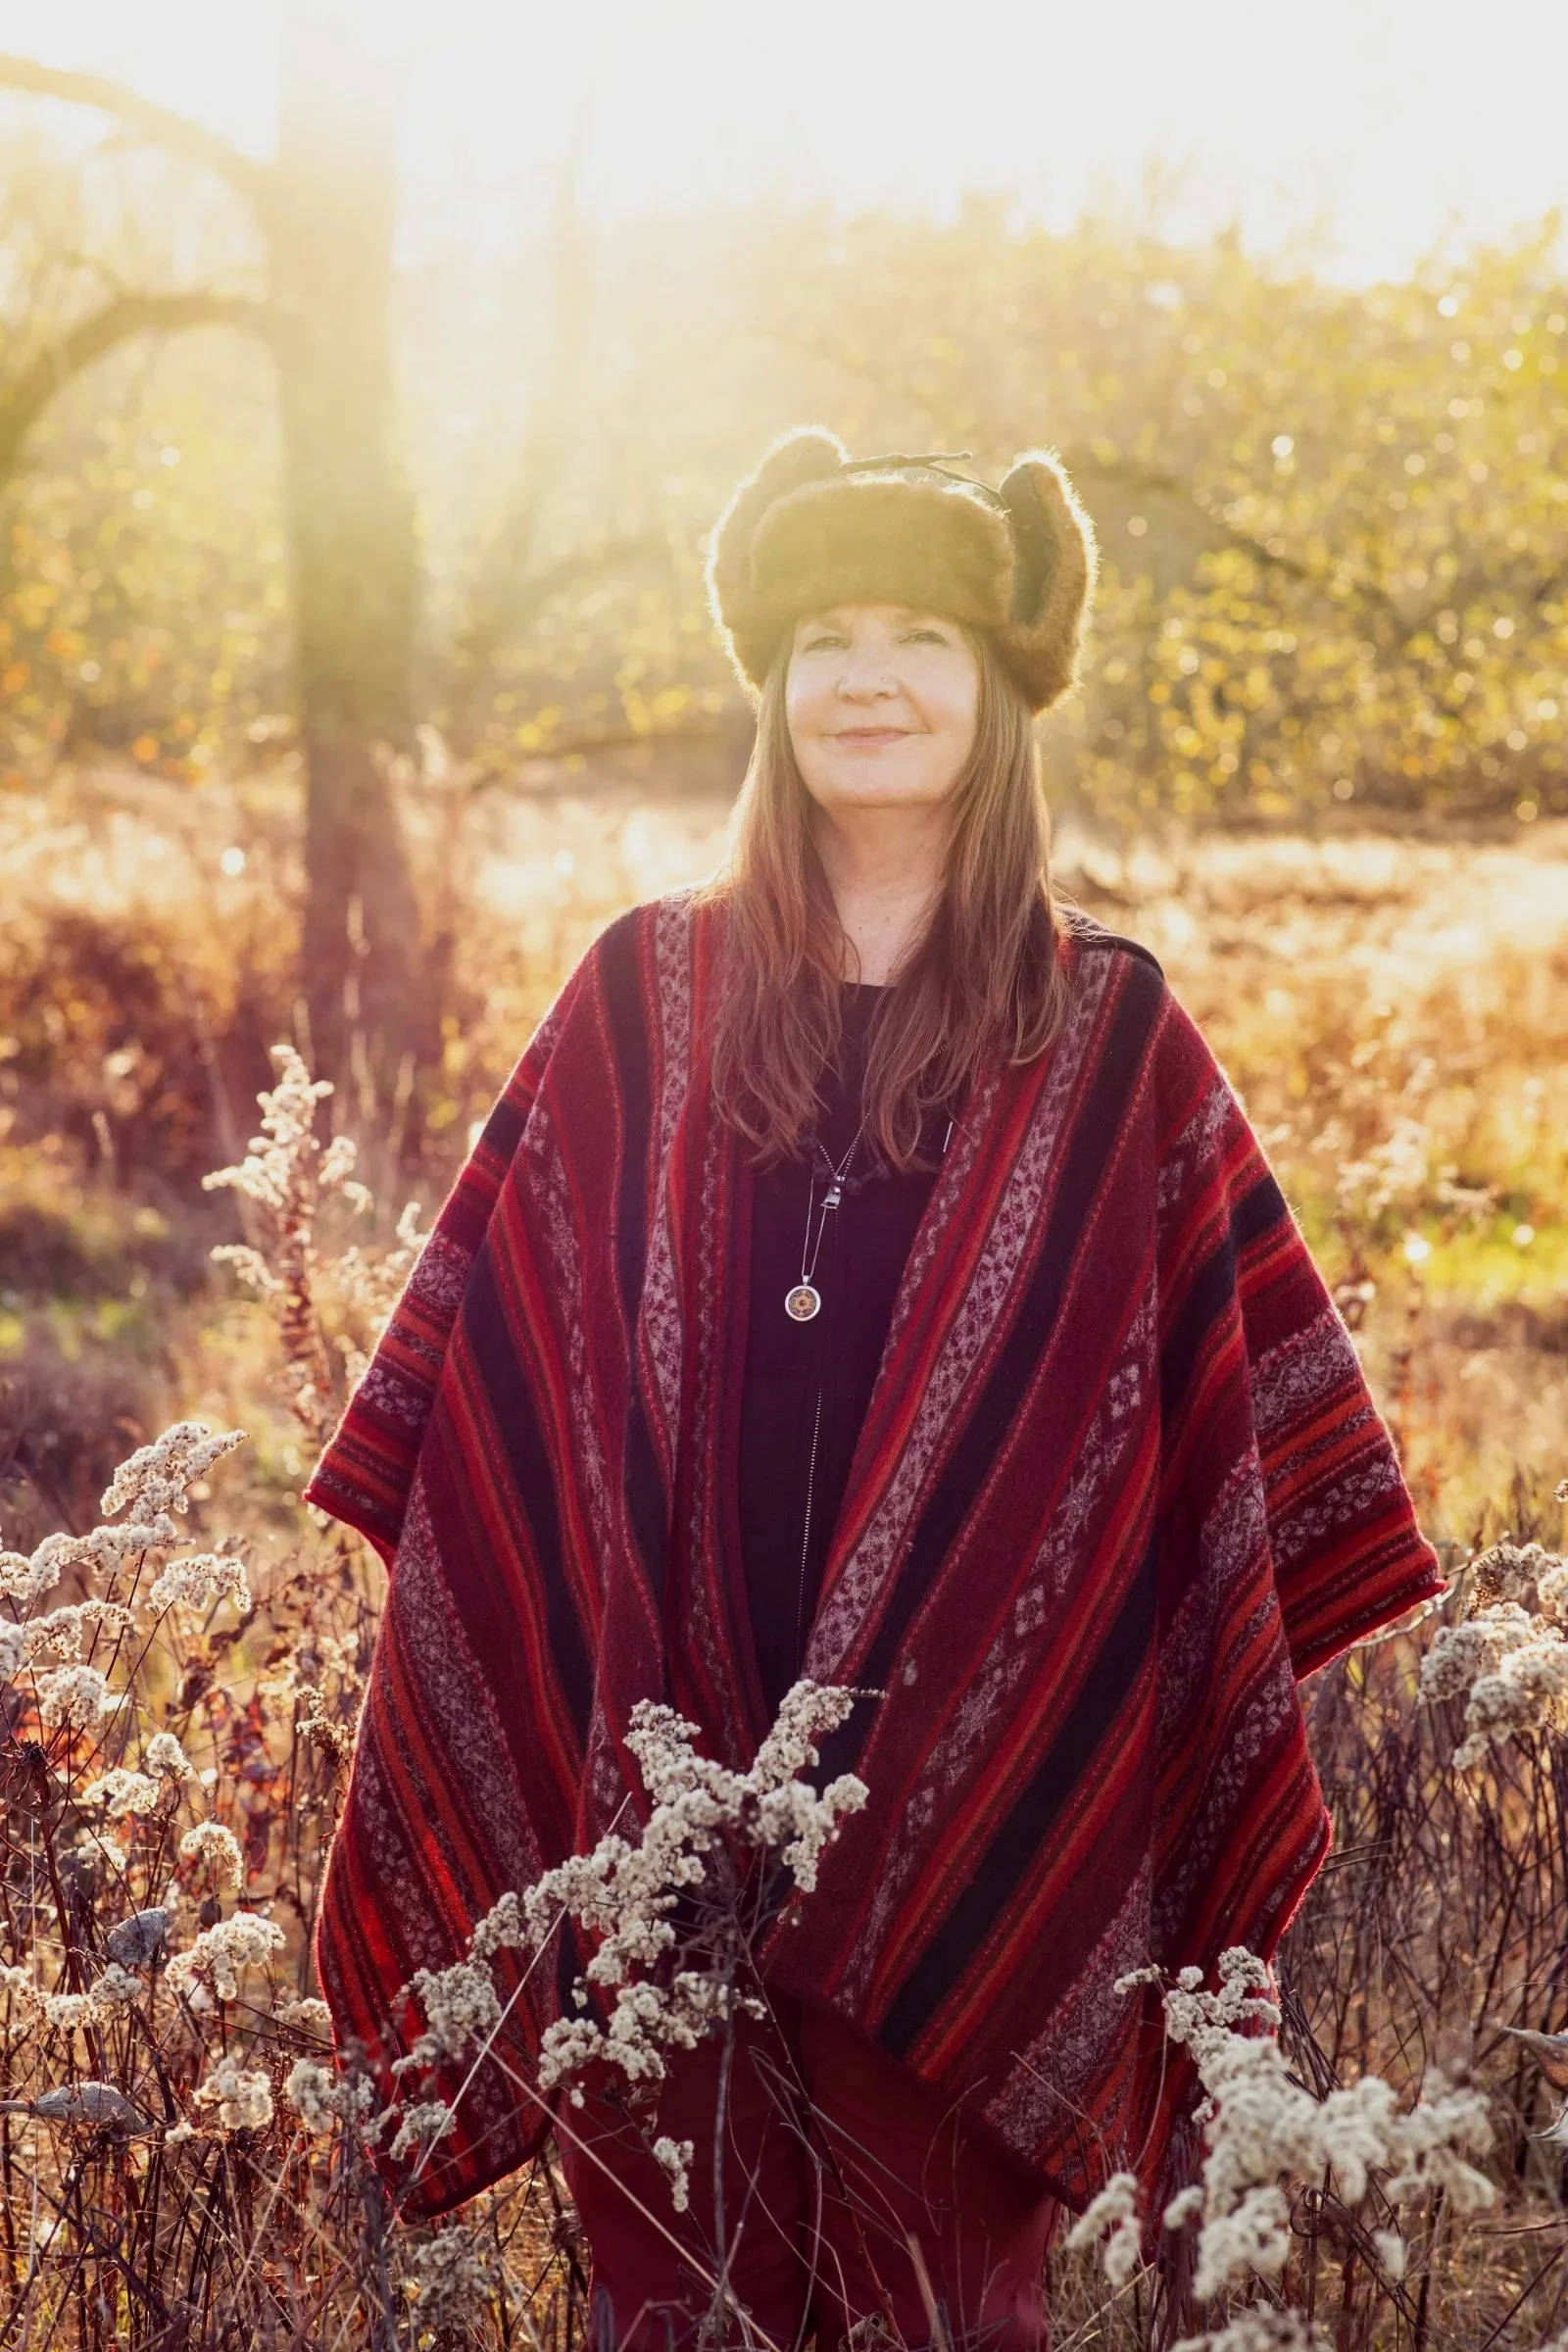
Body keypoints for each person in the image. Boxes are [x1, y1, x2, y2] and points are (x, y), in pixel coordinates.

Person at [302, 429, 1446, 2350]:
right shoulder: (638, 996)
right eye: (824, 635)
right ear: (771, 680)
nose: (868, 678)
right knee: (670, 2304)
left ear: (1000, 680)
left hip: (978, 1805)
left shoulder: (1109, 1031)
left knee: (939, 2309)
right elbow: (492, 1401)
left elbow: (1231, 1454)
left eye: (920, 633)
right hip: (650, 1801)